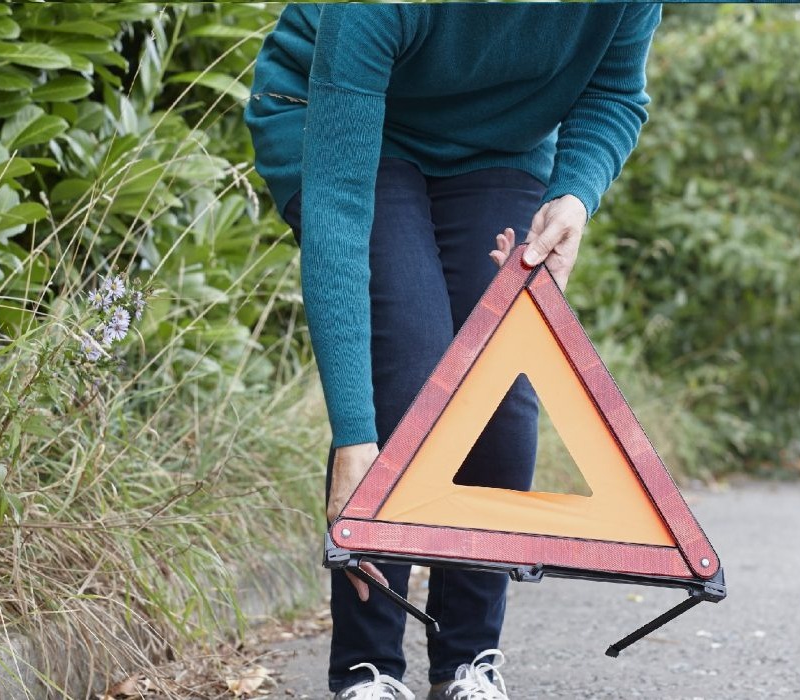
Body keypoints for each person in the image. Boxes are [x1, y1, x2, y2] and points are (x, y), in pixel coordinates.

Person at [246, 4, 661, 698]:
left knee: (498, 395)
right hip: (340, 118)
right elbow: (342, 216)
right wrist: (356, 438)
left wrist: (575, 195)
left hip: (496, 149)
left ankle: (468, 659)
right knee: (411, 379)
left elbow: (616, 92)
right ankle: (367, 667)